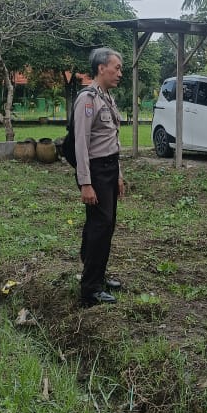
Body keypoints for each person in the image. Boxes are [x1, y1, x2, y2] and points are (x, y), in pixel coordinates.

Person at [73, 47, 127, 307]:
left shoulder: (106, 98)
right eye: (116, 68)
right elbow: (81, 143)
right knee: (99, 226)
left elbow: (111, 140)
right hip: (94, 171)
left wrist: (118, 175)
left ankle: (96, 274)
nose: (120, 73)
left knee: (105, 225)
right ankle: (90, 289)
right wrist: (85, 182)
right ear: (101, 68)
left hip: (109, 168)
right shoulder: (87, 99)